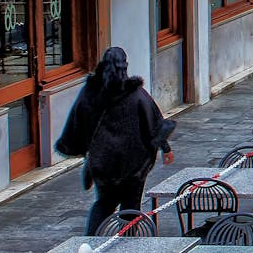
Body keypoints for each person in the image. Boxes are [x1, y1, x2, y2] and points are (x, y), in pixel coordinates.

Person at [56, 47, 176, 236]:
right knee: (130, 207)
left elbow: (77, 122)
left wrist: (80, 148)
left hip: (103, 165)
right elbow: (154, 124)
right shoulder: (136, 95)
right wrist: (165, 148)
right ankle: (127, 246)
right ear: (125, 67)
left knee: (103, 204)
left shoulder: (90, 93)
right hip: (134, 166)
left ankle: (92, 243)